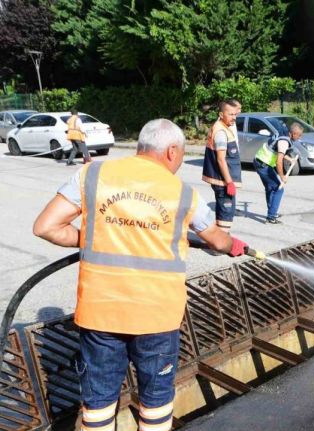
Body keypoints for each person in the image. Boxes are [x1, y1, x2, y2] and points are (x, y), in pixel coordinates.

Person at [32, 119, 261, 431]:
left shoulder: (93, 174)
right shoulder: (183, 194)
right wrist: (233, 245)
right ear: (171, 151)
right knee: (155, 403)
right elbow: (218, 240)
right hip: (157, 317)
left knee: (97, 406)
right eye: (180, 156)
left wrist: (86, 238)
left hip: (101, 314)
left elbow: (46, 226)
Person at [202, 100, 242, 231]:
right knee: (226, 210)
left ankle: (221, 238)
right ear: (221, 114)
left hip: (222, 180)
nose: (234, 117)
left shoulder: (223, 127)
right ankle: (219, 244)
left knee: (224, 209)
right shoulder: (220, 132)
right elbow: (221, 159)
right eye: (230, 114)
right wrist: (229, 182)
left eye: (235, 114)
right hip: (223, 181)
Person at [253, 122, 302, 224]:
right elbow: (278, 161)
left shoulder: (282, 135)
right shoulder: (284, 142)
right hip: (263, 165)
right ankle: (271, 216)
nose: (300, 137)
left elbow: (277, 151)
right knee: (279, 189)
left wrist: (289, 159)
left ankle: (272, 212)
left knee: (270, 188)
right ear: (293, 134)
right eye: (299, 135)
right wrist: (282, 176)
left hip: (260, 161)